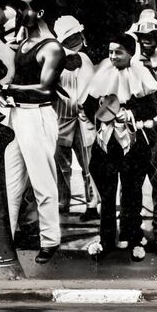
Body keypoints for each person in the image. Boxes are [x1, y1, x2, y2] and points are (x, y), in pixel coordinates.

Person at [0, 0, 65, 264]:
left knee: (42, 183)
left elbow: (45, 89)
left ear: (40, 13)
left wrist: (10, 88)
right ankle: (5, 239)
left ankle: (50, 241)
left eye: (25, 8)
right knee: (11, 184)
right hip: (16, 116)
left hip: (38, 118)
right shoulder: (24, 42)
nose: (20, 12)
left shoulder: (52, 48)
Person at [84, 33, 157, 262]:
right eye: (110, 52)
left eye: (119, 52)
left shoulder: (141, 74)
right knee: (106, 194)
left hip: (132, 142)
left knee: (132, 192)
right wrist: (101, 115)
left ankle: (132, 237)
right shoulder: (103, 75)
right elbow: (88, 107)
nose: (113, 56)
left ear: (130, 53)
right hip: (106, 143)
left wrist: (131, 114)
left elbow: (152, 107)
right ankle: (106, 240)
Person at [130, 8, 157, 253]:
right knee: (133, 180)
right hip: (135, 127)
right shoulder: (131, 60)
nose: (146, 41)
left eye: (151, 37)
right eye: (141, 37)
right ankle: (133, 228)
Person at [52, 15, 99, 220]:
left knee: (88, 164)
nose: (75, 40)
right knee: (61, 165)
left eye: (76, 36)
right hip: (60, 117)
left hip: (81, 119)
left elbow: (89, 90)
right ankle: (62, 203)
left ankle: (92, 204)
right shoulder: (55, 57)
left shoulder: (84, 59)